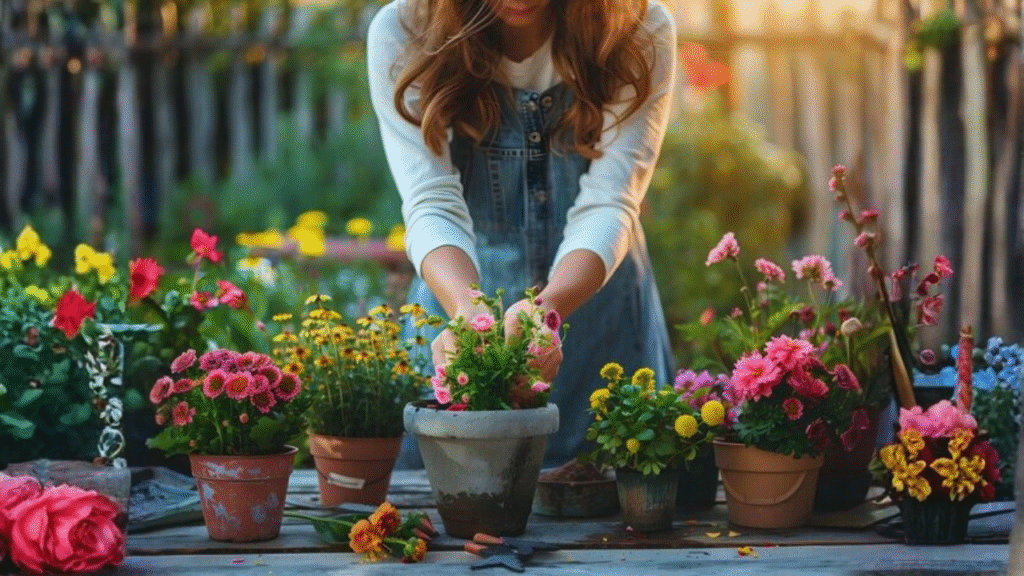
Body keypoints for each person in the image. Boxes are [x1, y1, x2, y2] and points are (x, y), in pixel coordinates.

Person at [367, 0, 676, 467]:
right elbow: (430, 201)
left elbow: (610, 202)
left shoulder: (637, 29)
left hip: (601, 320)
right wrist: (469, 316)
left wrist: (548, 310)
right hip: (459, 307)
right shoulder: (405, 29)